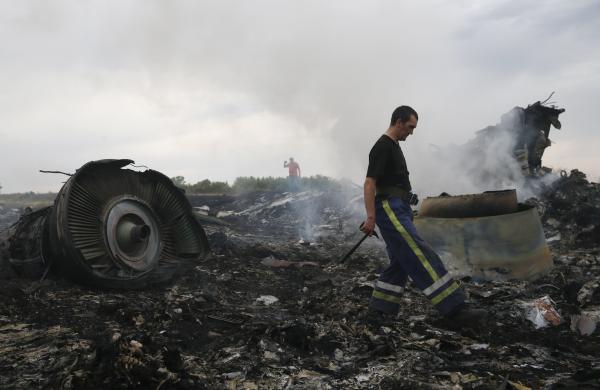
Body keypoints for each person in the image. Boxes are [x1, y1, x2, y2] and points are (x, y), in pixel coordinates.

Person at [361, 105, 485, 326]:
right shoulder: (382, 146)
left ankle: (380, 311)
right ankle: (455, 308)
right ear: (398, 122)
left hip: (400, 207)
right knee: (419, 252)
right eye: (410, 127)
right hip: (389, 208)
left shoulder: (394, 146)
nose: (411, 132)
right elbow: (370, 183)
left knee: (401, 259)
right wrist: (371, 218)